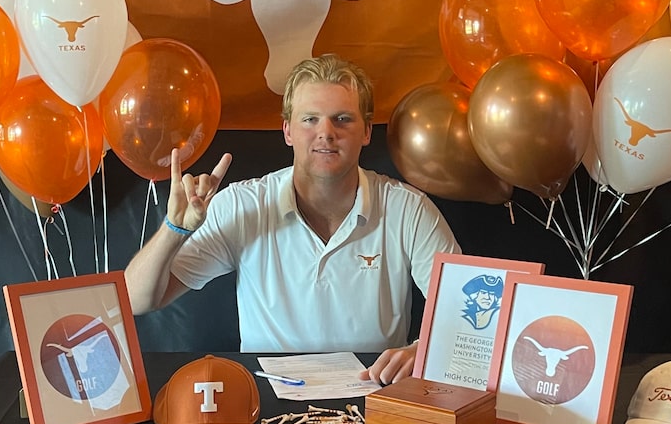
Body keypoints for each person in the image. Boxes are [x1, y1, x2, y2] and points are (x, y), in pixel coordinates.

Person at [124, 53, 461, 385]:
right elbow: (137, 300)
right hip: (267, 406)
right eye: (309, 119)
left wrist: (424, 350)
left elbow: (469, 317)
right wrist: (174, 229)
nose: (326, 133)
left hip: (375, 396)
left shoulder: (408, 209)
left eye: (342, 119)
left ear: (367, 132)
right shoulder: (243, 205)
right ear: (287, 131)